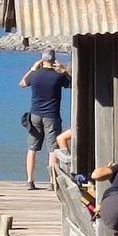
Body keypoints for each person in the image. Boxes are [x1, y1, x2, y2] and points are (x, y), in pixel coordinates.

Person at [19, 49, 70, 190]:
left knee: (32, 148)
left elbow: (22, 84)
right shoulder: (58, 77)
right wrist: (63, 70)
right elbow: (72, 84)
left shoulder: (34, 75)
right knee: (53, 149)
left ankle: (30, 181)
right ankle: (52, 181)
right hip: (51, 116)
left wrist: (32, 69)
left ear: (42, 60)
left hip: (34, 115)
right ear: (54, 60)